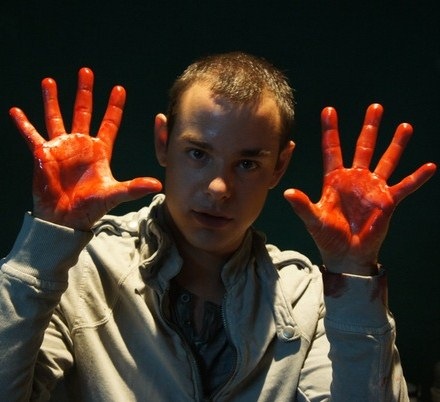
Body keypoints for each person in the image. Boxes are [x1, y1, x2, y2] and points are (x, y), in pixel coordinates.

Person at [0, 52, 436, 402]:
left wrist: (353, 276)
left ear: (279, 165)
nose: (219, 187)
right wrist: (47, 240)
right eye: (198, 153)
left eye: (247, 163)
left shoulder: (307, 298)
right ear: (163, 142)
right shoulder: (80, 269)